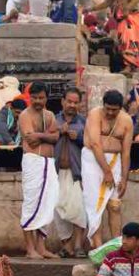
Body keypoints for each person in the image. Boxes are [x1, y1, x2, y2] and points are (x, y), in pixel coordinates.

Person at [82, 90, 134, 249]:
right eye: (108, 109)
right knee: (94, 205)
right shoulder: (95, 115)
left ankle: (117, 246)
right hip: (93, 161)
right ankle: (97, 247)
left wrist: (124, 178)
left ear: (121, 108)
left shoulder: (126, 121)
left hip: (115, 161)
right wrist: (106, 172)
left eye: (114, 110)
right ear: (103, 105)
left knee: (114, 205)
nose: (110, 113)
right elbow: (95, 144)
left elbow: (126, 152)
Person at [17, 82, 59, 258]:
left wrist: (41, 135)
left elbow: (56, 137)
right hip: (33, 162)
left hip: (49, 162)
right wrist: (46, 136)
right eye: (34, 97)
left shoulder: (50, 115)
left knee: (48, 203)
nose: (37, 101)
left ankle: (41, 247)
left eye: (41, 97)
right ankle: (30, 249)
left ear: (46, 98)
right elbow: (30, 139)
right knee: (31, 204)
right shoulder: (25, 115)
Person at [53, 87, 87, 257]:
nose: (72, 105)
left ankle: (79, 246)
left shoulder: (84, 122)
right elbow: (46, 139)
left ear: (79, 104)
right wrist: (59, 132)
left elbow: (91, 144)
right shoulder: (53, 120)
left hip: (77, 173)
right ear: (63, 102)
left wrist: (78, 138)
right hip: (56, 172)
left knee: (79, 209)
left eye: (75, 102)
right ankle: (66, 246)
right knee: (58, 209)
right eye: (69, 101)